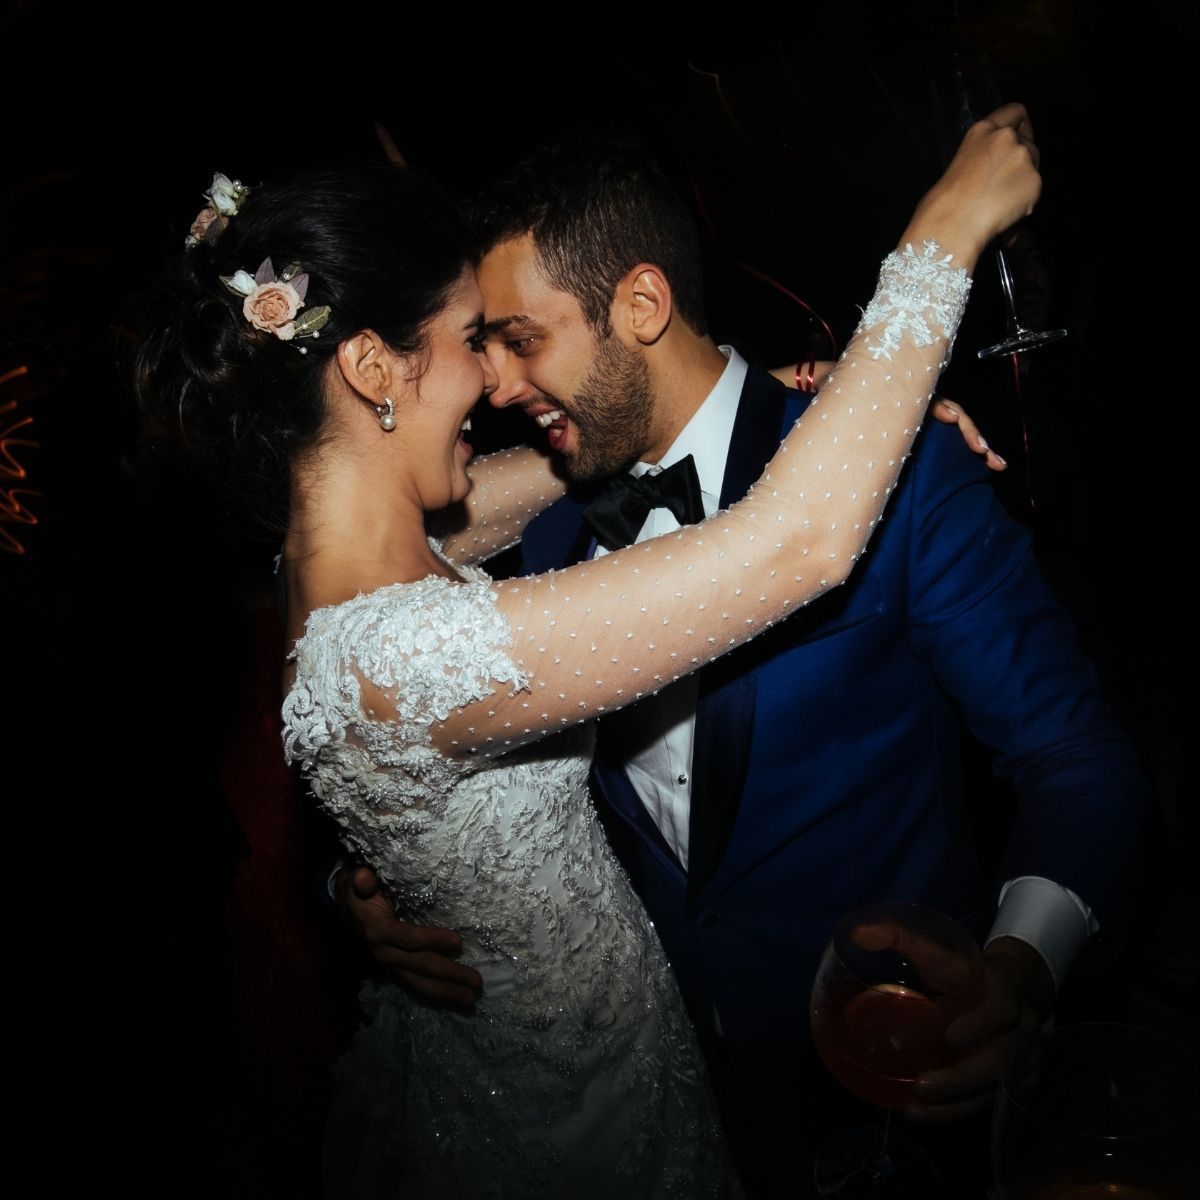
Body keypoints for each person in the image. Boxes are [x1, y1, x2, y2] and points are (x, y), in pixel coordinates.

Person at [134, 108, 1039, 1197]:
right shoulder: (399, 650)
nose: (495, 381)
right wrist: (940, 235)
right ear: (374, 366)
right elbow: (795, 540)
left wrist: (804, 392)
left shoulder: (337, 563)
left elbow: (595, 465)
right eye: (475, 338)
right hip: (571, 1125)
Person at [338, 129, 1148, 1194]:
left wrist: (1022, 962)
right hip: (652, 1105)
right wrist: (364, 885)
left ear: (640, 305)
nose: (495, 386)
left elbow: (1075, 753)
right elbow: (375, 707)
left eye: (520, 340)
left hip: (880, 1074)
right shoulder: (534, 535)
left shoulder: (890, 473)